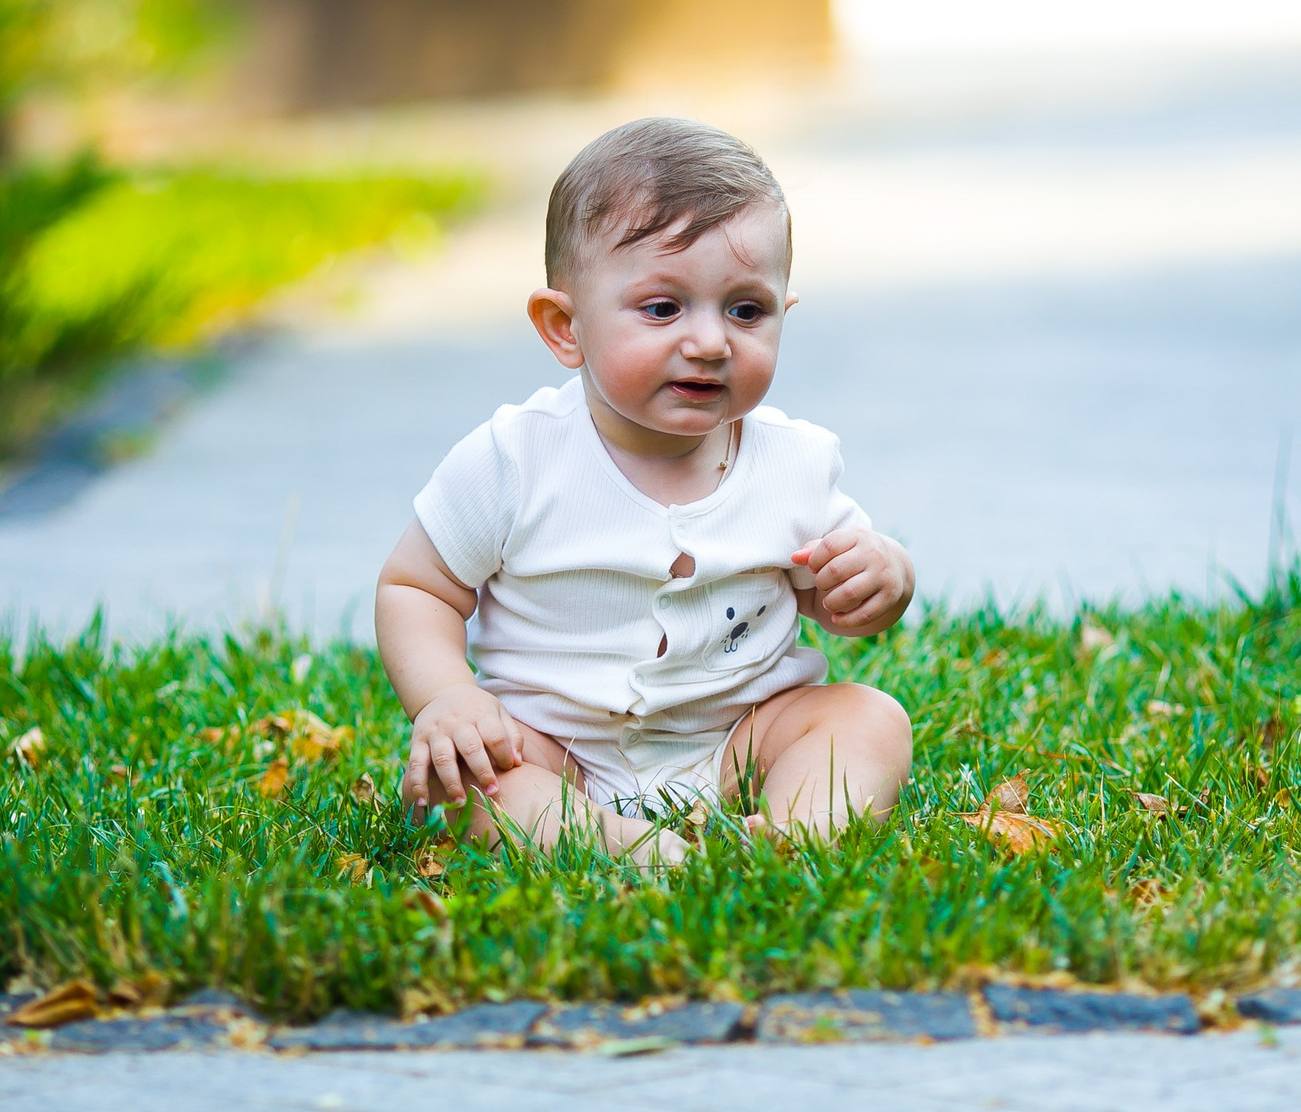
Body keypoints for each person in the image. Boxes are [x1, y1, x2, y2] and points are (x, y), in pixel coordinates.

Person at [373, 117, 915, 864]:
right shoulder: (515, 456)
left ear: (783, 315)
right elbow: (417, 587)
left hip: (742, 734)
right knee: (474, 783)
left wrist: (881, 577)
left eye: (746, 309)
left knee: (869, 718)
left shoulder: (793, 461)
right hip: (556, 742)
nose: (710, 341)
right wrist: (446, 697)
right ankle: (621, 845)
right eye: (663, 308)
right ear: (566, 327)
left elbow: (833, 593)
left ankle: (795, 833)